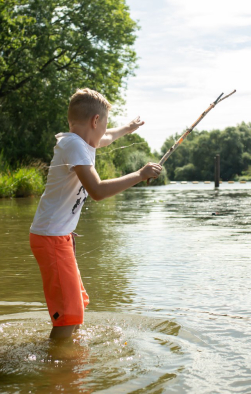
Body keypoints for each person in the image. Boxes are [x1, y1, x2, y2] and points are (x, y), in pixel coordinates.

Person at [29, 88, 162, 339]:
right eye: (104, 124)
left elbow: (108, 136)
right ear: (95, 121)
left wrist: (127, 128)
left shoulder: (78, 140)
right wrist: (140, 175)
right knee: (68, 318)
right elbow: (98, 191)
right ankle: (59, 371)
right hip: (51, 238)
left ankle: (65, 356)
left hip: (58, 237)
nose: (105, 132)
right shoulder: (74, 146)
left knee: (75, 308)